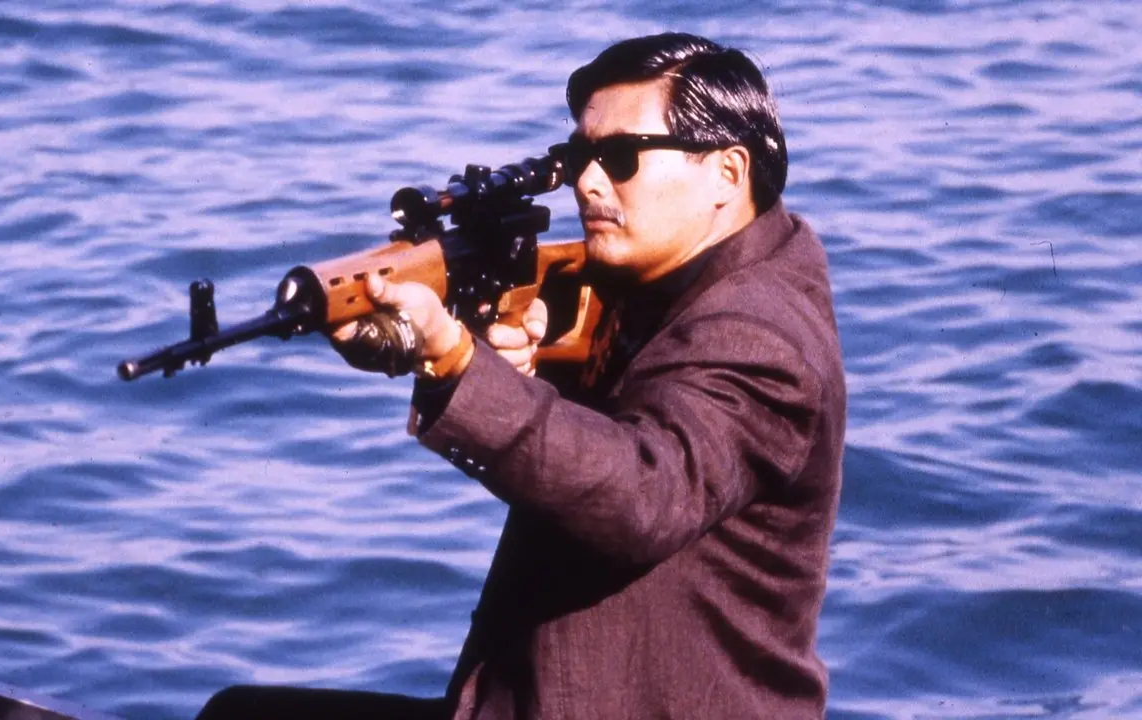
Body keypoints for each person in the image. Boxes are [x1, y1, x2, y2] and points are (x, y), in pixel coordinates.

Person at [197, 32, 845, 720]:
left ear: (727, 173)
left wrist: (457, 361)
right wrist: (471, 354)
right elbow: (589, 427)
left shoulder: (761, 338)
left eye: (622, 157)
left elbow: (644, 494)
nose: (588, 183)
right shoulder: (659, 279)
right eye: (580, 157)